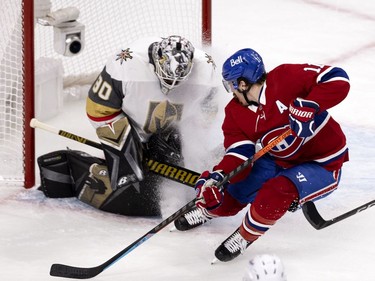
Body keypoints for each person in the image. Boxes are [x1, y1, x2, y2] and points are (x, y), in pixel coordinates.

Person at [173, 48, 350, 262]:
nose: (231, 91)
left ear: (243, 83)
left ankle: (245, 235)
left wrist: (311, 105)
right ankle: (207, 210)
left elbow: (337, 77)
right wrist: (218, 177)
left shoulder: (285, 78)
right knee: (229, 194)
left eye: (231, 85)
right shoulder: (235, 112)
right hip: (277, 158)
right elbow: (239, 154)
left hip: (322, 162)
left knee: (277, 191)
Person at [37, 35, 218, 216]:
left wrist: (186, 139)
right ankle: (82, 169)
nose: (172, 86)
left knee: (175, 158)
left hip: (167, 125)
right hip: (128, 121)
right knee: (129, 182)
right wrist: (126, 145)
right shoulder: (126, 65)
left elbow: (207, 111)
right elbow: (98, 108)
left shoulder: (205, 71)